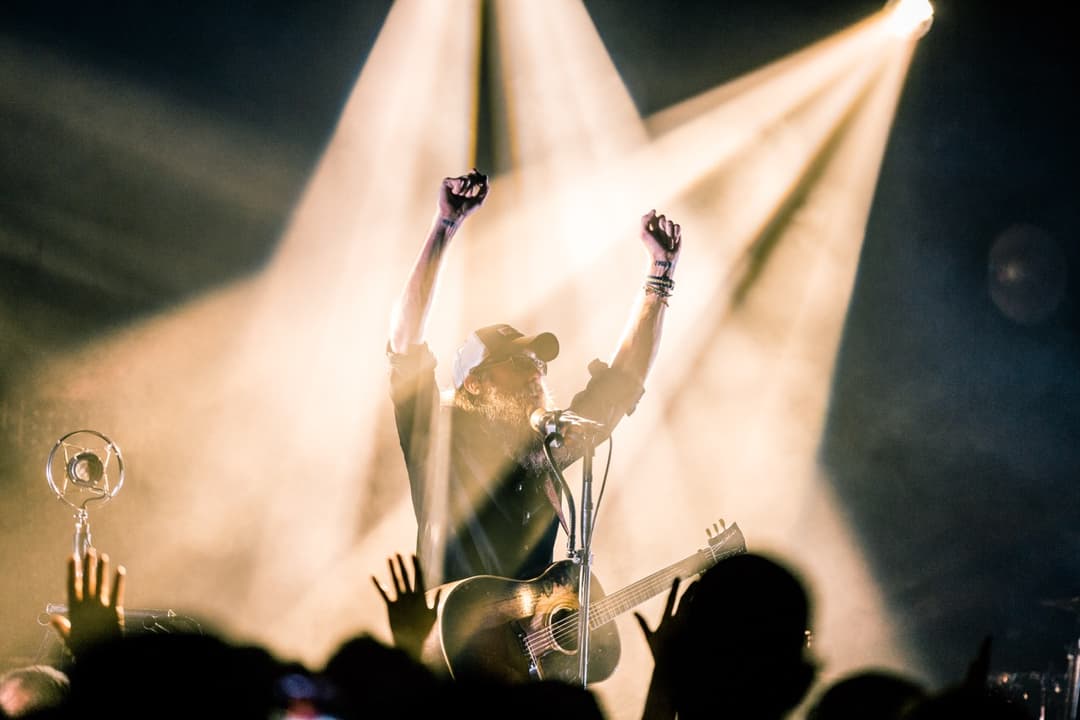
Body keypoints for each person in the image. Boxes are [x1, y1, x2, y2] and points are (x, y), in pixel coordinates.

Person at [387, 168, 683, 587]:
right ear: (473, 382)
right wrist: (446, 225)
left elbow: (621, 381)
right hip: (445, 643)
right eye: (519, 362)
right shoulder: (437, 432)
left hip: (521, 648)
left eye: (539, 363)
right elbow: (405, 343)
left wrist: (661, 275)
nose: (537, 372)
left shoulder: (549, 447)